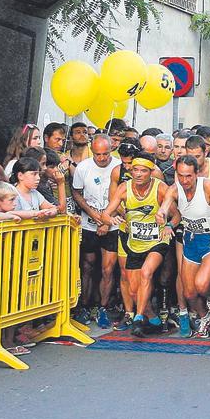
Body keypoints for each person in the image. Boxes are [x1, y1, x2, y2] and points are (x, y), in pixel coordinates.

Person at [157, 155, 210, 338]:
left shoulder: (207, 186)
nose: (185, 180)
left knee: (201, 284)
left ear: (196, 174)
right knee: (189, 292)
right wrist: (161, 214)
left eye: (189, 176)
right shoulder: (175, 189)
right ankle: (204, 316)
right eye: (181, 175)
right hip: (191, 239)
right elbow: (166, 205)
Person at [103, 153, 175, 338]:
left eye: (144, 171)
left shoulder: (160, 188)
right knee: (134, 291)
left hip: (158, 240)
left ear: (151, 172)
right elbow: (105, 213)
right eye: (136, 170)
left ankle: (138, 319)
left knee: (146, 273)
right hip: (135, 242)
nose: (139, 174)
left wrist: (168, 224)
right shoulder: (123, 188)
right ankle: (154, 321)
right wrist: (112, 218)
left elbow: (177, 215)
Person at [71, 135, 121, 328]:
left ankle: (103, 306)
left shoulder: (118, 167)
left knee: (108, 268)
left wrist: (107, 221)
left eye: (105, 154)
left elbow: (121, 196)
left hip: (113, 224)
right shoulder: (83, 167)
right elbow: (77, 192)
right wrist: (93, 214)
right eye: (98, 154)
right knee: (87, 265)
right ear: (92, 151)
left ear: (111, 150)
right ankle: (84, 305)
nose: (101, 158)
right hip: (88, 224)